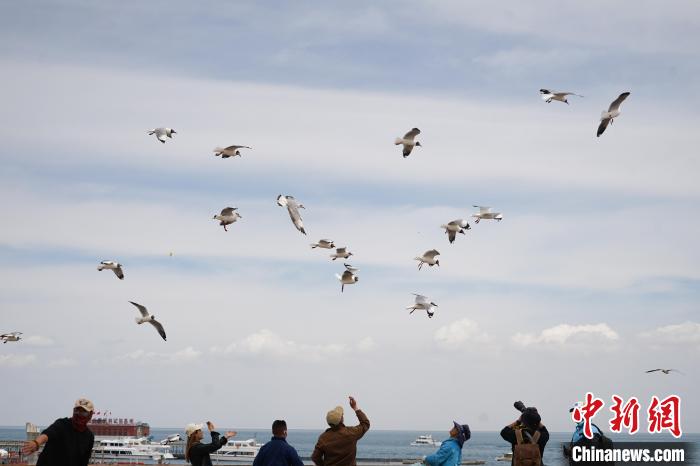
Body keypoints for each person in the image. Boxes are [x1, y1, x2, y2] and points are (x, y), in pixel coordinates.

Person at [20, 397, 95, 466]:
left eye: (84, 412)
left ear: (90, 415)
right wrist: (36, 443)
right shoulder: (62, 424)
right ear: (73, 411)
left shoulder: (89, 436)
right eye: (77, 411)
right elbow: (47, 434)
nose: (79, 415)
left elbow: (84, 461)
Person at [311, 396, 370, 466]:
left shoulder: (323, 438)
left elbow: (315, 457)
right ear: (341, 420)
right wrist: (355, 408)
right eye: (342, 415)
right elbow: (365, 423)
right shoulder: (351, 433)